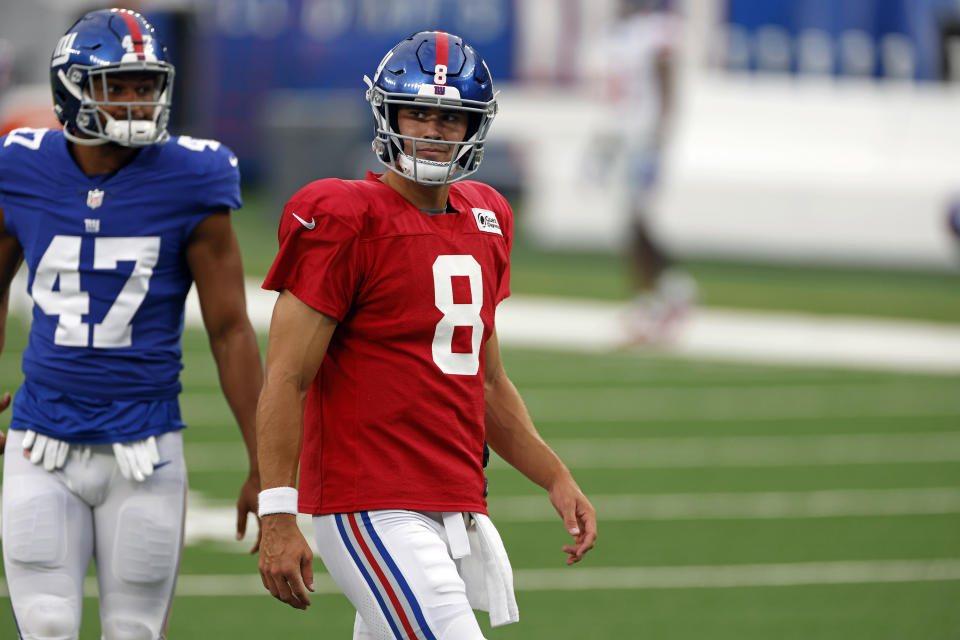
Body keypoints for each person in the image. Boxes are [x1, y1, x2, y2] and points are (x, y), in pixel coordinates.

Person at [256, 31, 597, 639]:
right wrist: (279, 514)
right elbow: (287, 376)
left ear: (475, 128)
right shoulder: (342, 216)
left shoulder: (487, 217)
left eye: (450, 118)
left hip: (453, 502)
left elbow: (486, 382)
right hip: (372, 503)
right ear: (387, 113)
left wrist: (554, 474)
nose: (433, 131)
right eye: (418, 112)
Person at [0, 9, 263, 639]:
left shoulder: (194, 175)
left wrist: (266, 464)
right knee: (46, 626)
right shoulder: (20, 163)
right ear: (72, 89)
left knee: (135, 633)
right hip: (41, 443)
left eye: (147, 85)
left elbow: (230, 329)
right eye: (119, 85)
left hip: (145, 449)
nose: (138, 100)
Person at [601, 0, 698, 343]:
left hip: (644, 139)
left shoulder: (653, 32)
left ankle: (658, 300)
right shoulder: (623, 35)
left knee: (637, 223)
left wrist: (659, 136)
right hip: (630, 137)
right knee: (633, 224)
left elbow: (666, 80)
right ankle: (663, 296)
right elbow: (619, 99)